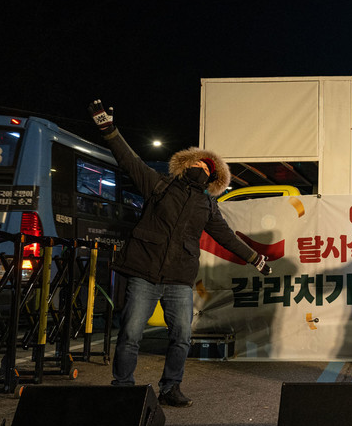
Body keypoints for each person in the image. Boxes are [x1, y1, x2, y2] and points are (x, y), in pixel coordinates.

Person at [89, 100, 272, 407]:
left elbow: (227, 236)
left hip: (179, 278)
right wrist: (109, 131)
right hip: (144, 272)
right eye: (197, 165)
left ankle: (171, 387)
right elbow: (129, 160)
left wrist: (255, 258)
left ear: (212, 179)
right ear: (185, 166)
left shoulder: (207, 206)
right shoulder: (158, 184)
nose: (200, 168)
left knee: (182, 337)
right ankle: (123, 386)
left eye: (206, 168)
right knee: (131, 333)